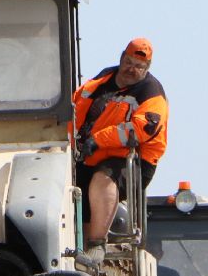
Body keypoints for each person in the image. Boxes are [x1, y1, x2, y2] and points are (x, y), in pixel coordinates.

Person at [71, 37, 168, 247]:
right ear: (122, 58)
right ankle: (82, 249)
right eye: (129, 63)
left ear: (146, 69)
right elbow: (75, 107)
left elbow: (142, 130)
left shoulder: (152, 93)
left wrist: (98, 139)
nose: (131, 69)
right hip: (90, 153)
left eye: (138, 67)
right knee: (74, 185)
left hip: (133, 160)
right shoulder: (103, 79)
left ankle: (97, 244)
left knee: (103, 178)